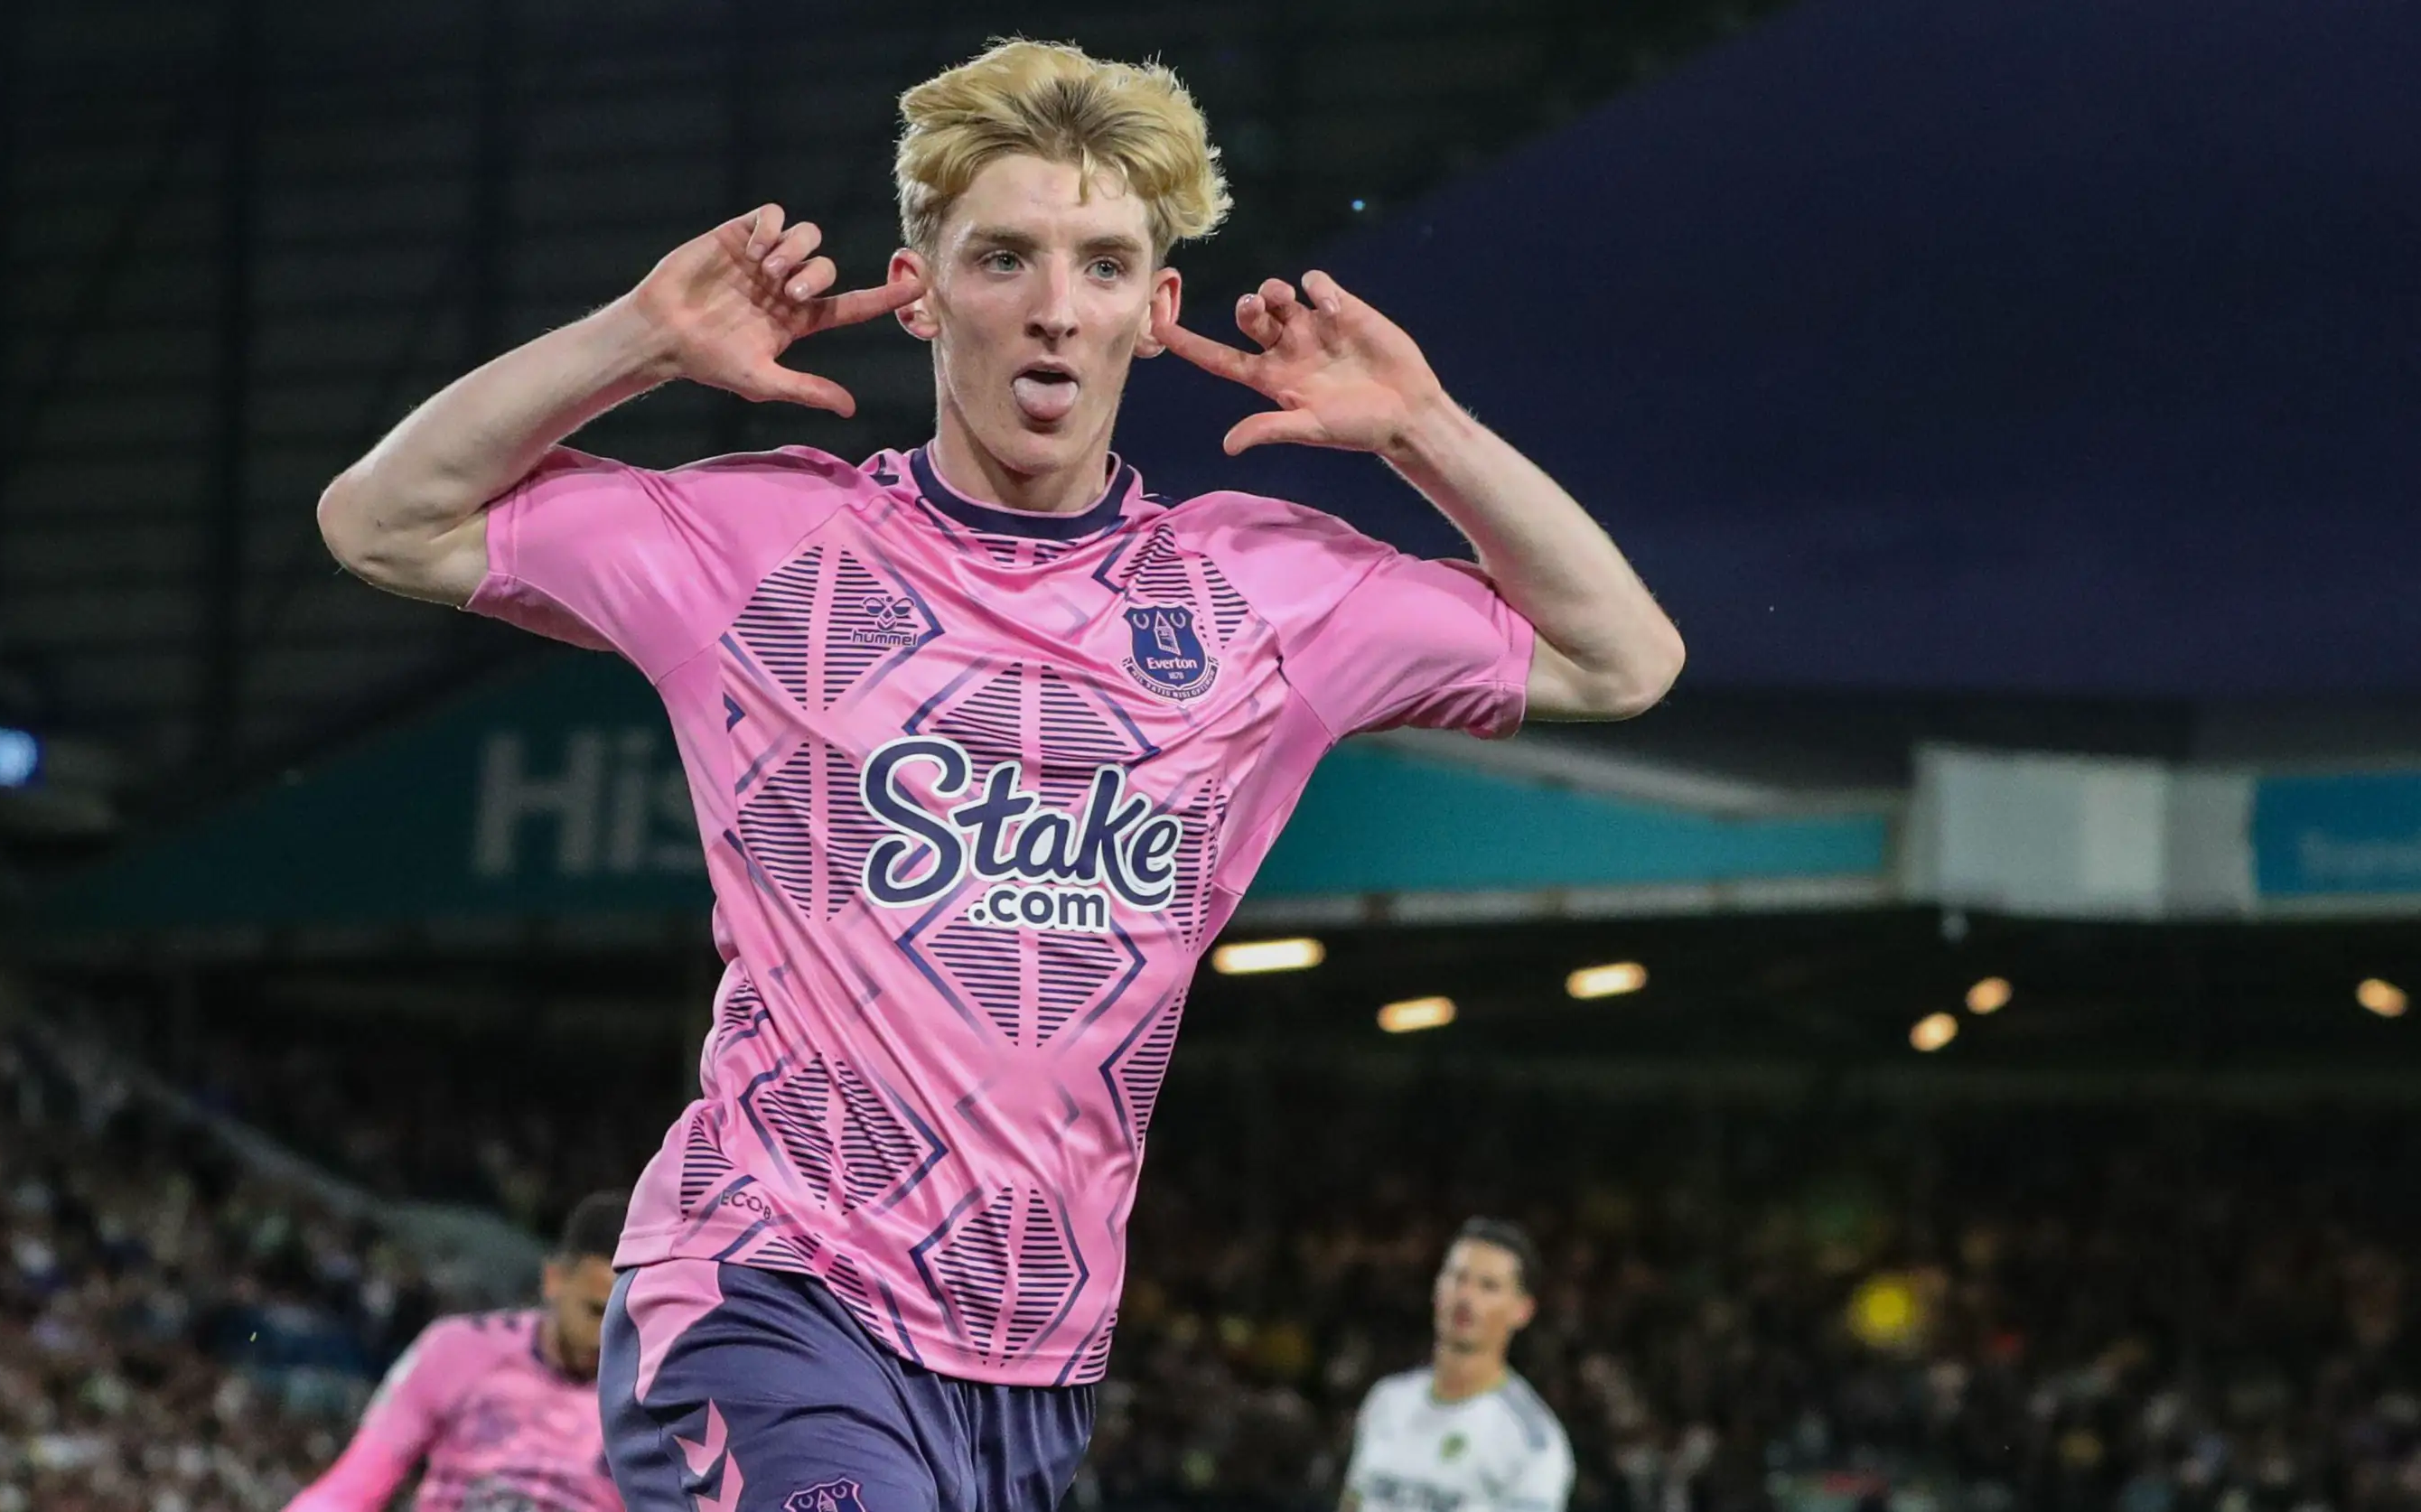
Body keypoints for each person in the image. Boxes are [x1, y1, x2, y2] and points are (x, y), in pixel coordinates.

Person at [315, 36, 1680, 1512]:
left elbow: (1621, 659)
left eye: (1101, 265)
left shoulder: (1265, 597)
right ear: (917, 289)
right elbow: (385, 522)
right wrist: (636, 340)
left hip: (1030, 1367)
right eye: (1002, 256)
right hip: (765, 1294)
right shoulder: (765, 552)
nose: (1050, 309)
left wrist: (1425, 430)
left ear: (1156, 311)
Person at [283, 1192, 628, 1512]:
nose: (605, 1340)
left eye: (626, 1323)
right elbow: (349, 1489)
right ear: (554, 1280)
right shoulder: (457, 1350)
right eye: (595, 1311)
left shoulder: (654, 1405)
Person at [1342, 1219, 1574, 1512]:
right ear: (1437, 1287)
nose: (1466, 1297)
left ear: (1522, 1310)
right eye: (1457, 1277)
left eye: (1488, 1286)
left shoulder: (1532, 1441)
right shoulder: (1387, 1400)